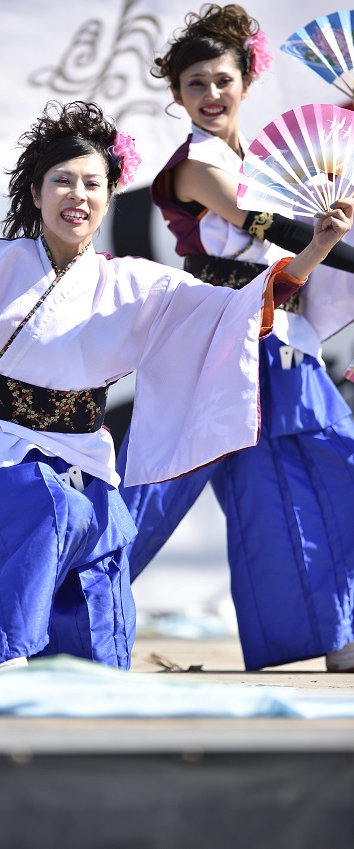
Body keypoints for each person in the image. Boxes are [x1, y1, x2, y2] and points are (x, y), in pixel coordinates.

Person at [0, 99, 353, 677]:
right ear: (36, 193)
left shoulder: (137, 283)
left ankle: (78, 678)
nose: (77, 195)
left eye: (92, 183)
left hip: (84, 454)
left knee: (102, 579)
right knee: (48, 513)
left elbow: (246, 307)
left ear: (110, 195)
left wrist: (317, 247)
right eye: (61, 181)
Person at [116, 3, 354, 673]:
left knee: (311, 478)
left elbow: (315, 218)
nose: (210, 94)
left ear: (245, 82)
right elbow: (268, 225)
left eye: (221, 79)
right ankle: (53, 616)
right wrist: (328, 239)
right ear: (176, 95)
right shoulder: (194, 165)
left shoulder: (273, 157)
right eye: (194, 83)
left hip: (280, 334)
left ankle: (332, 636)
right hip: (216, 336)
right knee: (151, 487)